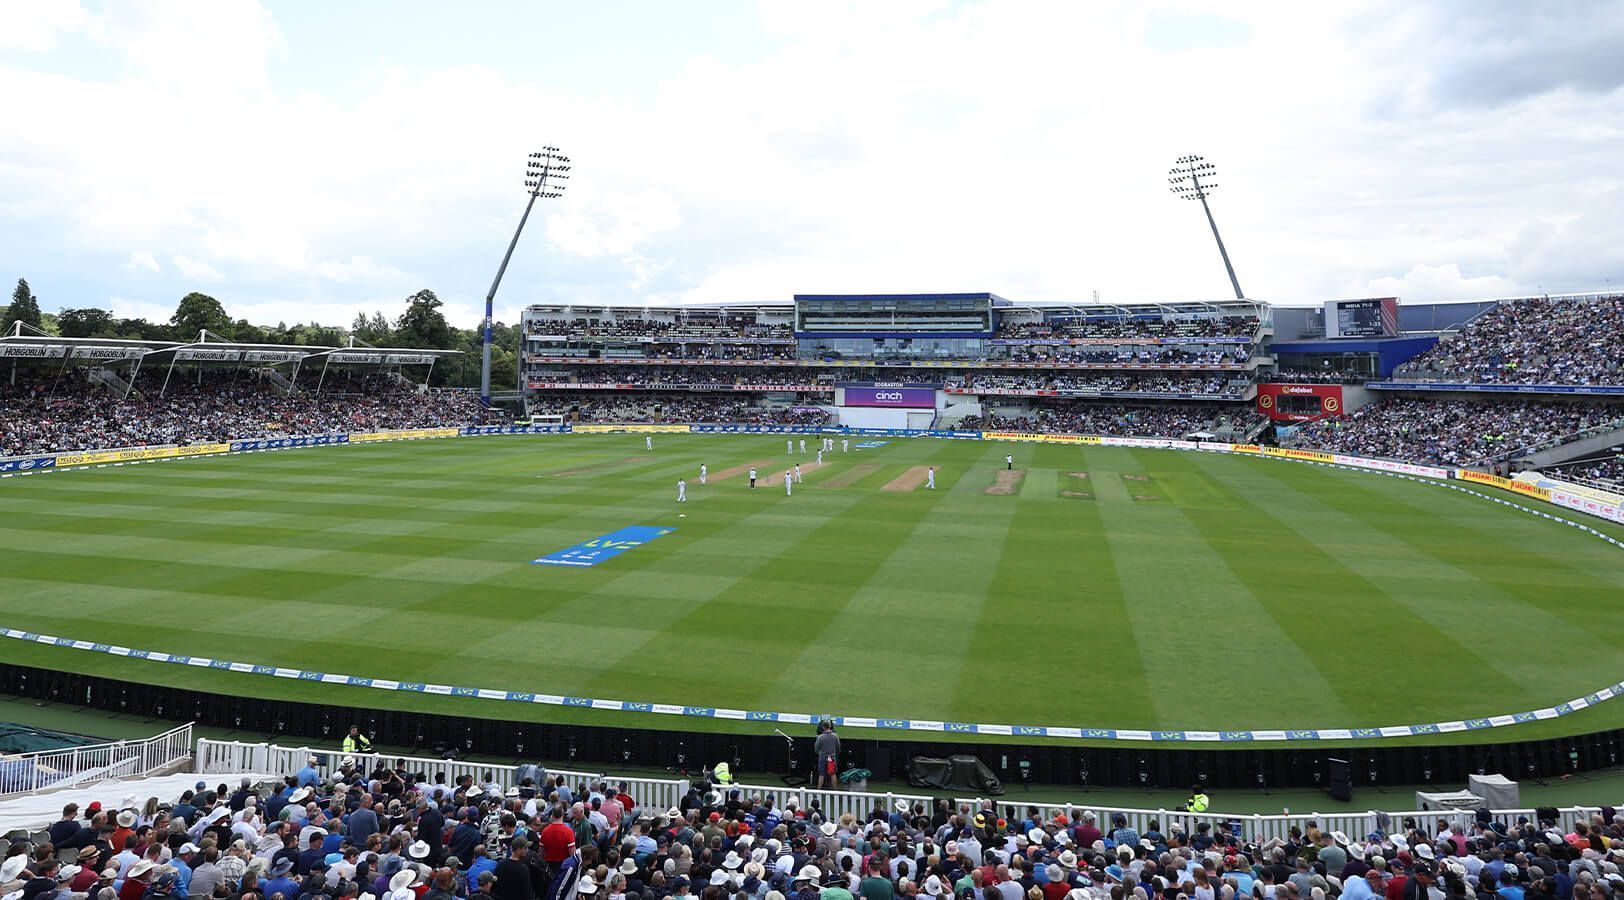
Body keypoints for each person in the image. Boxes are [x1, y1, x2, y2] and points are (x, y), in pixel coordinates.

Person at [814, 720, 840, 789]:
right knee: (832, 774)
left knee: (821, 774)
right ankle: (835, 791)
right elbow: (838, 746)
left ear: (823, 727)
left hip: (823, 757)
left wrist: (820, 753)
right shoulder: (835, 736)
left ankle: (818, 791)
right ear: (830, 726)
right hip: (831, 758)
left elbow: (816, 748)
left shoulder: (820, 737)